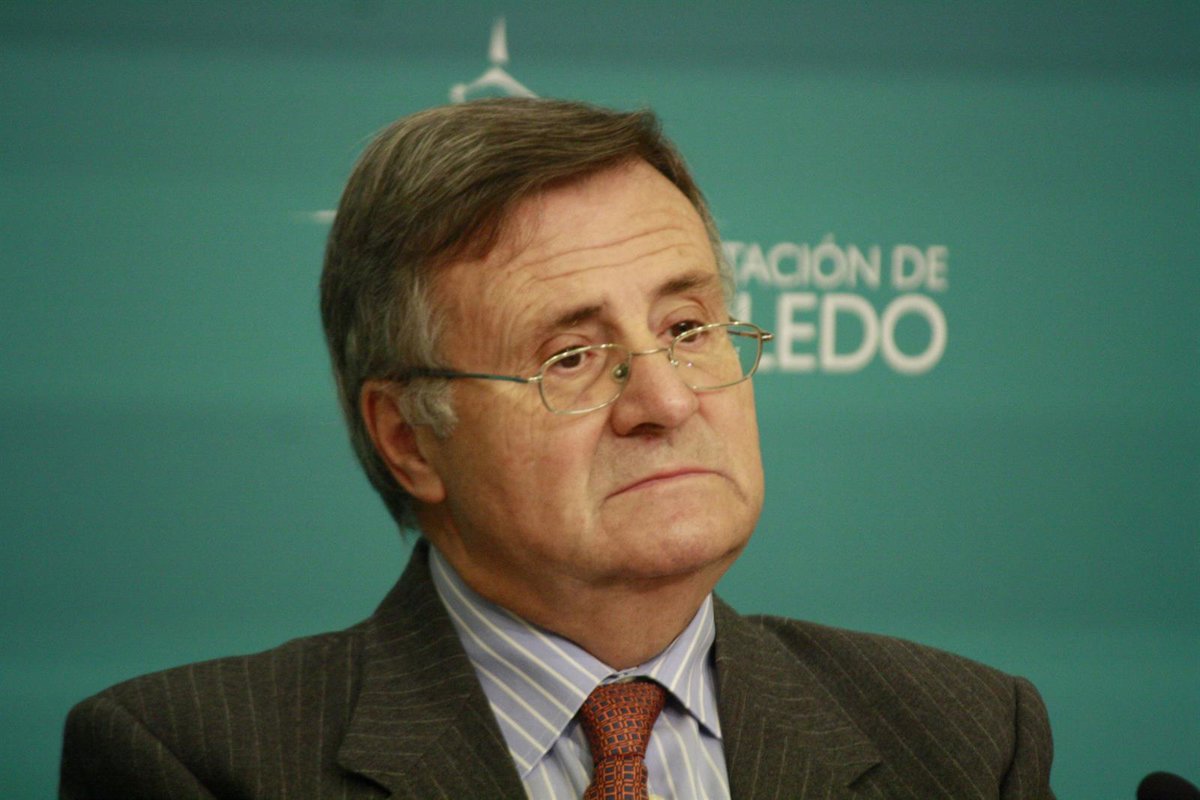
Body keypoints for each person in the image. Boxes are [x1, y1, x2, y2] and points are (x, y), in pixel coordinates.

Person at [60, 98, 1055, 799]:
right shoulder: (192, 761)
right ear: (410, 438)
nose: (666, 399)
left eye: (688, 328)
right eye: (571, 357)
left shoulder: (966, 740)